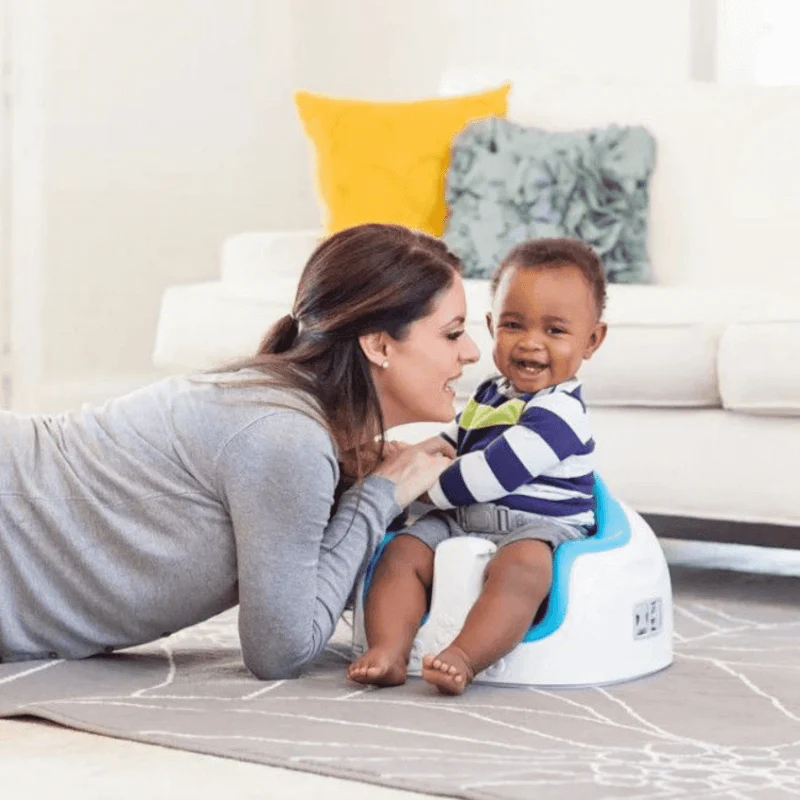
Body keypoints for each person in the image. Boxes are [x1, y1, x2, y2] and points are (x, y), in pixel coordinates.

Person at [0, 223, 480, 680]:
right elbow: (281, 652)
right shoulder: (288, 437)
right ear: (379, 345)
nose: (473, 352)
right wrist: (379, 495)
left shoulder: (281, 415)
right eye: (453, 333)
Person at [347, 238, 608, 695]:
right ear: (491, 326)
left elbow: (493, 474)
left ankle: (465, 656)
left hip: (539, 527)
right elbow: (455, 440)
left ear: (592, 340)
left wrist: (414, 485)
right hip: (463, 519)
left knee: (523, 569)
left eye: (555, 330)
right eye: (513, 325)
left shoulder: (561, 412)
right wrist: (404, 456)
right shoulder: (491, 392)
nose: (531, 342)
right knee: (401, 553)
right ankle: (389, 649)